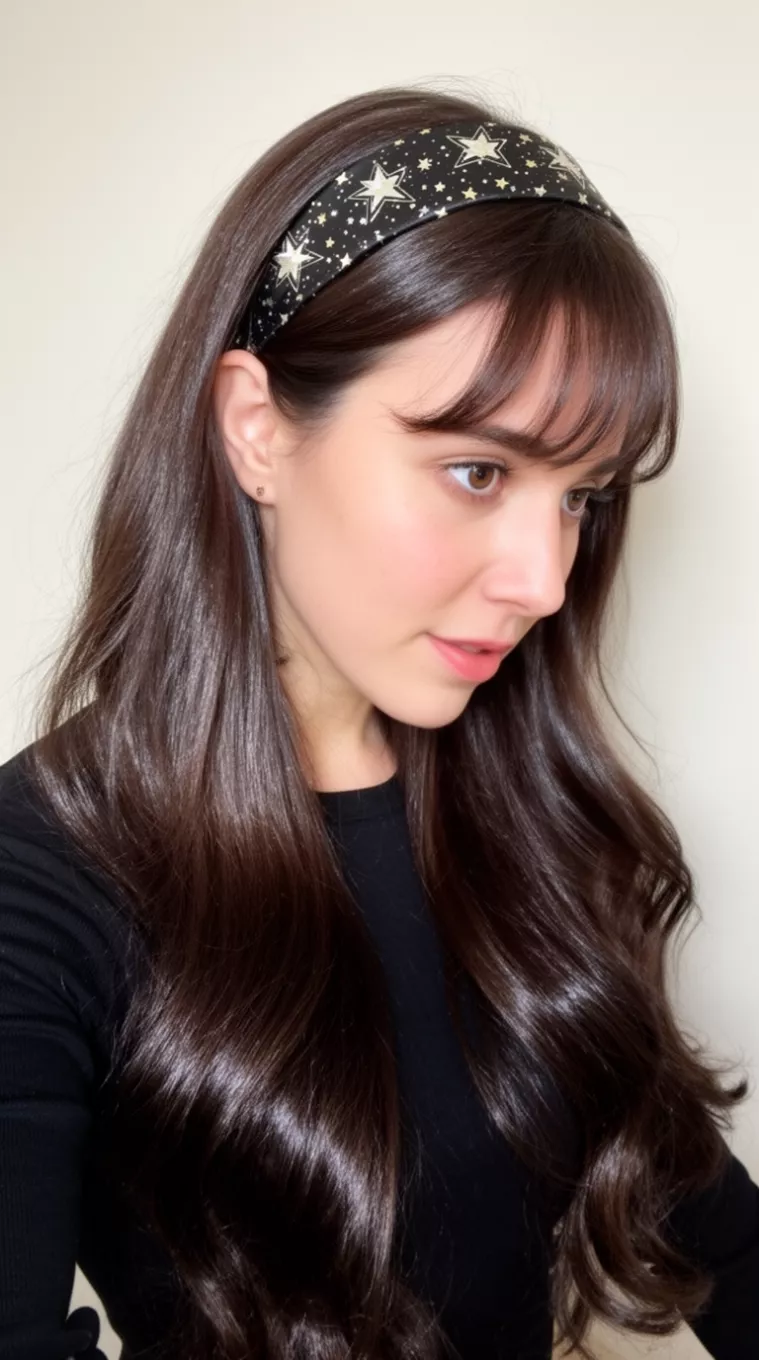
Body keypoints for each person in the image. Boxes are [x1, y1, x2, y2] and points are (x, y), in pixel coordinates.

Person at [0, 83, 757, 1360]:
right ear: (257, 430)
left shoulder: (533, 811)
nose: (545, 579)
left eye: (582, 496)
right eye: (478, 469)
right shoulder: (40, 887)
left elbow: (719, 1236)